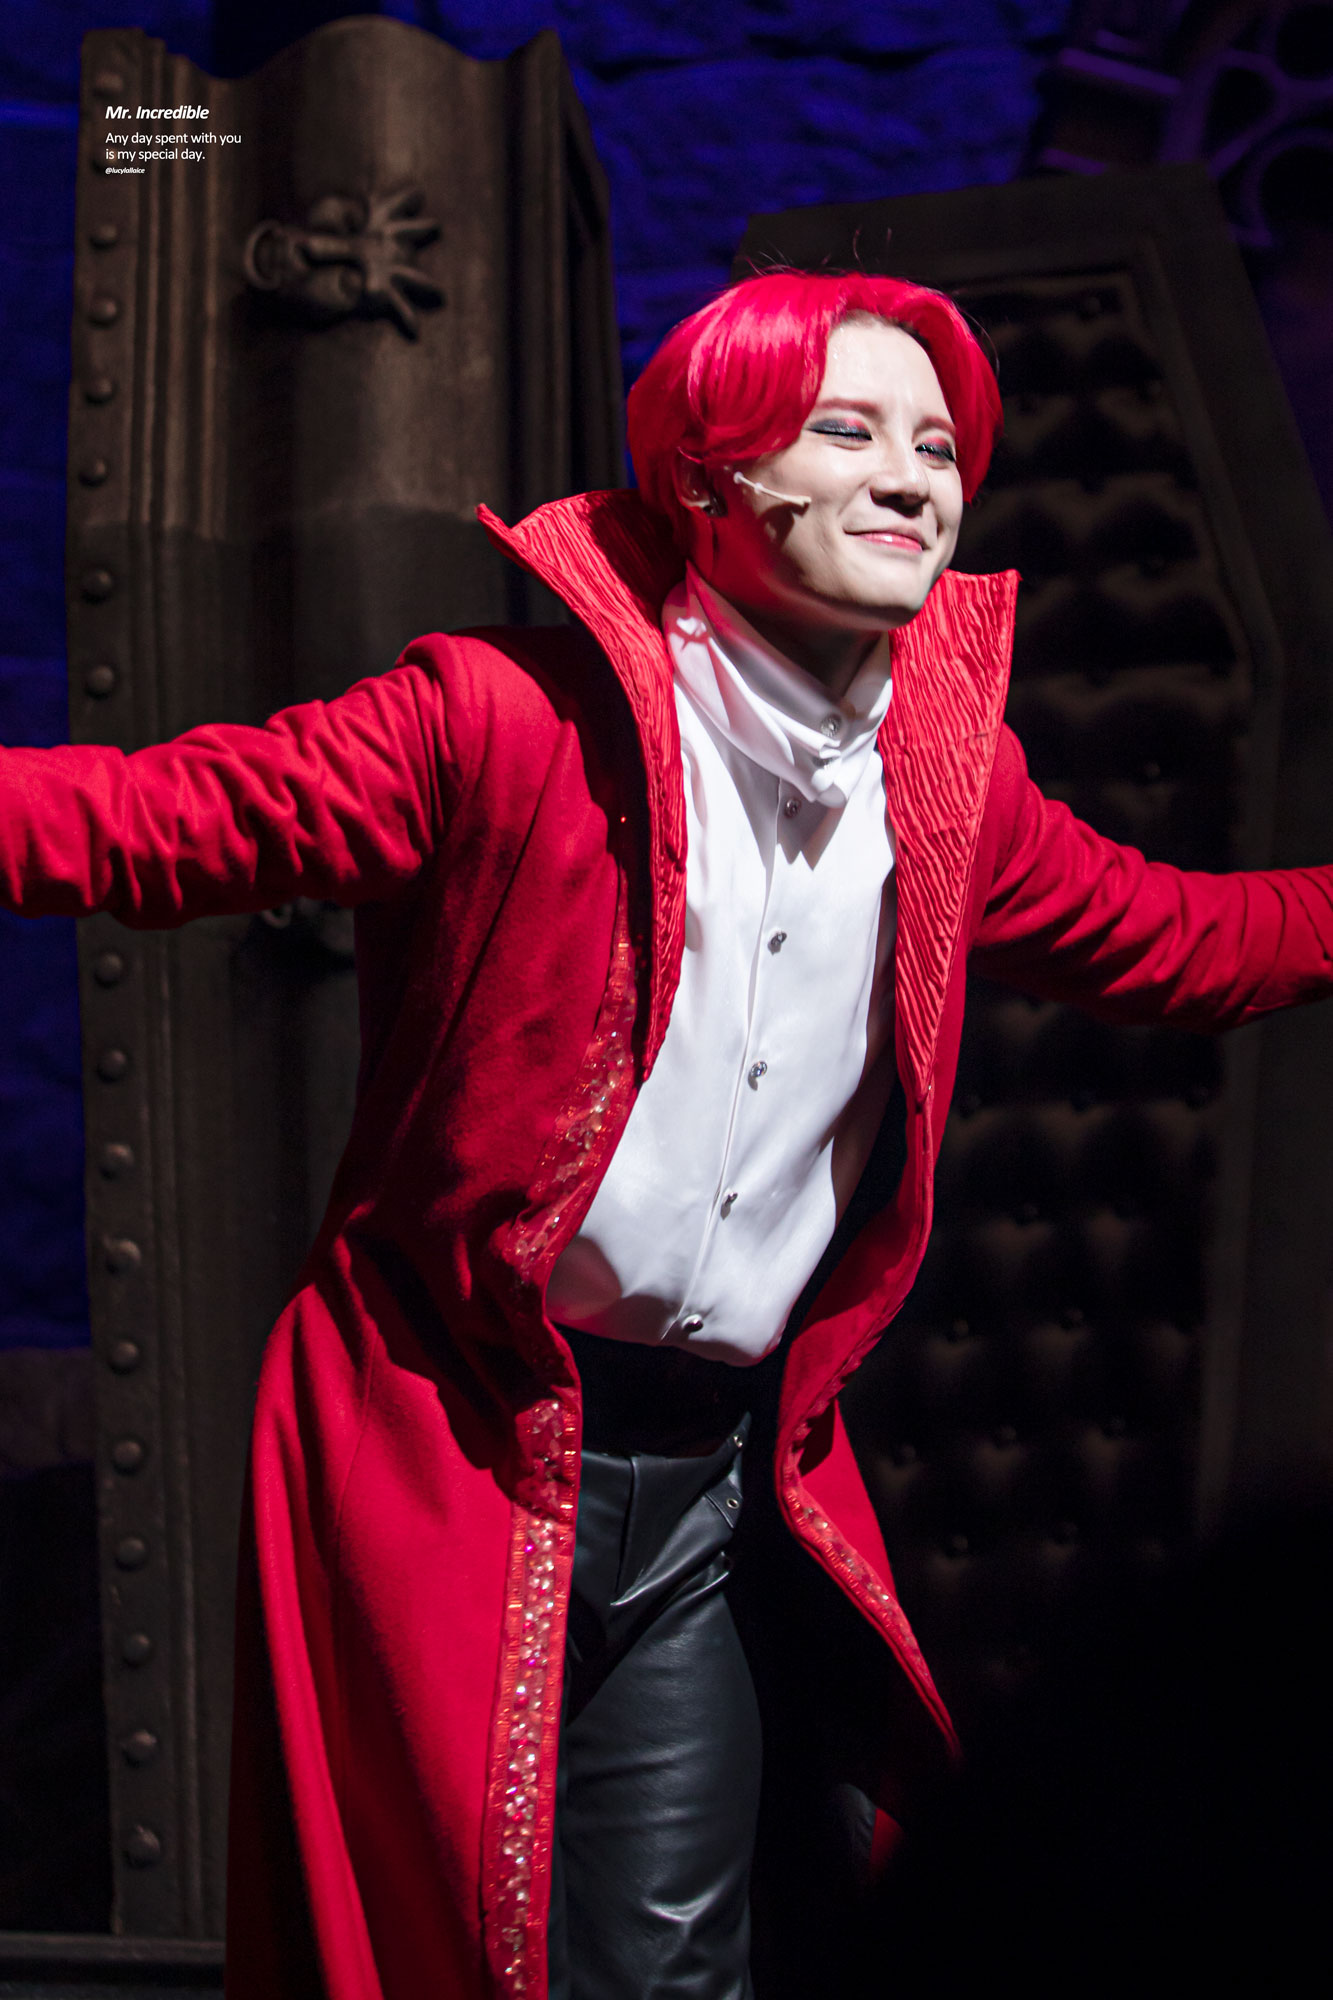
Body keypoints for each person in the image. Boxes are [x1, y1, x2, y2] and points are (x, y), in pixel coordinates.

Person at [3, 269, 1332, 2000]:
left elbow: (1191, 945)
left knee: (671, 1970)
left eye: (936, 448)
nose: (908, 478)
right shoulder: (504, 716)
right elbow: (160, 821)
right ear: (712, 474)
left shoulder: (950, 787)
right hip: (468, 1447)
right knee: (450, 1955)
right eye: (845, 431)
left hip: (709, 1476)